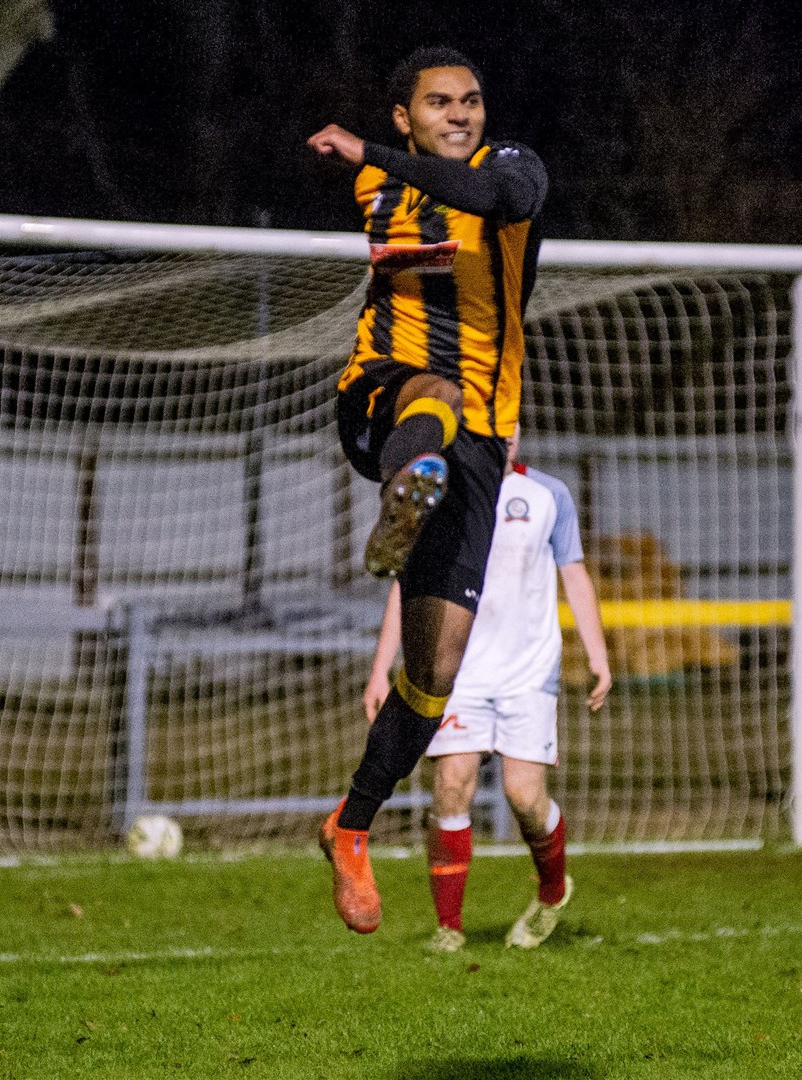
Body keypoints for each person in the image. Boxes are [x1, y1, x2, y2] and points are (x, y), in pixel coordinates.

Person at [307, 46, 548, 933]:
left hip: (480, 445)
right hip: (382, 399)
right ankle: (404, 496)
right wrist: (368, 161)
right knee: (432, 394)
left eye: (472, 100)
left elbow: (490, 200)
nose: (461, 113)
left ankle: (349, 825)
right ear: (406, 114)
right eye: (439, 102)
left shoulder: (513, 173)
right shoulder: (379, 194)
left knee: (433, 673)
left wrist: (373, 150)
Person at [363, 433, 610, 952]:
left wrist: (597, 653)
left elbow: (575, 574)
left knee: (524, 797)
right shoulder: (445, 495)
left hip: (528, 670)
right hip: (459, 671)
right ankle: (448, 927)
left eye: (511, 420)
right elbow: (409, 583)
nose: (505, 431)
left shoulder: (549, 496)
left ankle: (552, 889)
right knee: (452, 782)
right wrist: (381, 667)